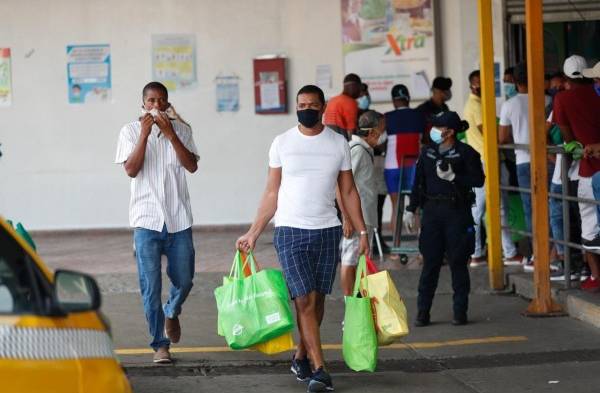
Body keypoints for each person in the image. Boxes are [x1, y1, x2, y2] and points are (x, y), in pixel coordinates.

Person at [236, 85, 369, 392]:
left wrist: (362, 231)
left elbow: (348, 191)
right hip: (290, 230)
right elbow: (272, 192)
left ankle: (300, 355)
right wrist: (254, 231)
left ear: (323, 108)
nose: (306, 108)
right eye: (301, 104)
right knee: (304, 299)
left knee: (318, 298)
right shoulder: (282, 142)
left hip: (327, 229)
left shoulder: (338, 143)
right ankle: (320, 369)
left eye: (312, 104)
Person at [114, 81, 199, 364]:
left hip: (178, 219)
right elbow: (131, 169)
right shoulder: (129, 131)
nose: (156, 105)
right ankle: (159, 345)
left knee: (185, 280)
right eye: (151, 100)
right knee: (150, 287)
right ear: (143, 104)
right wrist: (144, 133)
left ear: (167, 104)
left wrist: (171, 133)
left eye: (161, 100)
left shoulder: (183, 130)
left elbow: (191, 166)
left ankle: (172, 311)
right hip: (146, 222)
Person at [404, 111, 484, 326]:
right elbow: (418, 182)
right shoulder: (427, 152)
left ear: (449, 132)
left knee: (458, 263)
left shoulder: (467, 153)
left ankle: (460, 312)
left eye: (438, 128)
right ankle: (423, 312)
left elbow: (478, 180)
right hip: (431, 212)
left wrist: (455, 177)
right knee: (430, 264)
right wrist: (411, 209)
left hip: (457, 211)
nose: (434, 131)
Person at [463, 70, 522, 267]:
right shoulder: (476, 105)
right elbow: (486, 132)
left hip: (482, 162)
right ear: (474, 85)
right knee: (490, 208)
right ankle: (497, 252)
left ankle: (483, 253)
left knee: (484, 209)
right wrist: (506, 136)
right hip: (486, 162)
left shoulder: (476, 104)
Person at [499, 62, 552, 271]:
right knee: (551, 206)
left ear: (515, 81)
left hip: (523, 162)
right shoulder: (547, 100)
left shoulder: (509, 105)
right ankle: (554, 255)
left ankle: (536, 256)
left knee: (531, 209)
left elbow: (502, 137)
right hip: (547, 161)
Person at [554, 55, 600, 292]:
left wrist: (575, 146)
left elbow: (567, 136)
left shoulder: (562, 99)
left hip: (588, 168)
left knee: (590, 224)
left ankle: (595, 276)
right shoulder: (596, 94)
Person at [340, 110, 384, 295]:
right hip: (357, 218)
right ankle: (351, 307)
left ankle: (361, 307)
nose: (382, 135)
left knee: (360, 262)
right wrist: (347, 218)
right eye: (381, 130)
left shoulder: (363, 150)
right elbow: (342, 186)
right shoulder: (357, 151)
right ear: (372, 132)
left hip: (364, 217)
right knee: (350, 260)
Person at [384, 84, 426, 238]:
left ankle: (396, 248)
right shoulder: (419, 115)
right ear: (408, 99)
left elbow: (381, 142)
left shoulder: (386, 118)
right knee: (417, 207)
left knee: (396, 206)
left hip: (393, 167)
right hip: (415, 166)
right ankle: (422, 247)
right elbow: (426, 140)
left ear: (394, 101)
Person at [323, 73, 362, 140]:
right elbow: (351, 132)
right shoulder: (350, 102)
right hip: (340, 139)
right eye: (359, 88)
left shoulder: (333, 100)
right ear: (354, 86)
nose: (360, 91)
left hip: (327, 137)